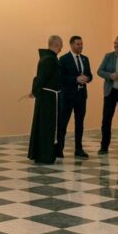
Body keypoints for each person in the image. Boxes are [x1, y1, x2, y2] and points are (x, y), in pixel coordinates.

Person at [27, 35, 62, 165]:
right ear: (56, 44)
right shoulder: (49, 60)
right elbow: (41, 78)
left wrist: (35, 91)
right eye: (61, 45)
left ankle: (46, 154)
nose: (62, 48)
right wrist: (34, 91)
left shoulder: (49, 58)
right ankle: (44, 156)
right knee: (46, 126)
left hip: (49, 97)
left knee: (46, 126)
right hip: (48, 98)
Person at [57, 35, 93, 158]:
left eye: (81, 44)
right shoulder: (63, 59)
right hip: (67, 96)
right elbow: (61, 78)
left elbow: (90, 75)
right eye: (78, 44)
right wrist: (76, 79)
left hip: (81, 96)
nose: (80, 46)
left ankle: (79, 149)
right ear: (71, 45)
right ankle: (59, 149)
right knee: (63, 123)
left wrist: (87, 78)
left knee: (79, 123)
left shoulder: (85, 59)